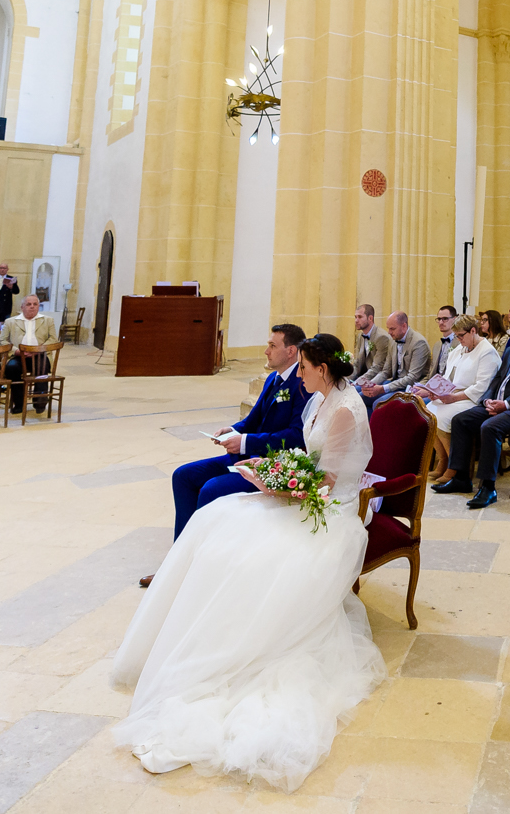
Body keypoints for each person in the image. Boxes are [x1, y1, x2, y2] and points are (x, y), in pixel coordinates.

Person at [112, 333, 380, 789]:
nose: (298, 374)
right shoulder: (319, 399)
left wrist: (274, 485)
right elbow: (304, 455)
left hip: (330, 513)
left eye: (305, 368)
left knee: (251, 548)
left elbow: (326, 483)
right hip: (305, 493)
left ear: (323, 368)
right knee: (218, 519)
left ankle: (241, 635)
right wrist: (268, 470)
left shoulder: (344, 411)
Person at [168, 324, 309, 538]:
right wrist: (232, 430)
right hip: (244, 457)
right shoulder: (272, 378)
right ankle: (181, 549)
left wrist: (244, 442)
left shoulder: (302, 384)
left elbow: (295, 436)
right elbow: (253, 420)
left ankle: (200, 554)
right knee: (183, 476)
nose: (266, 351)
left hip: (270, 465)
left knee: (210, 489)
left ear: (290, 351)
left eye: (272, 345)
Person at [433, 312, 510, 508]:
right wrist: (488, 399)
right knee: (460, 420)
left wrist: (506, 404)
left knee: (489, 427)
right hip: (500, 405)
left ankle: (488, 488)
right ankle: (462, 478)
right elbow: (497, 379)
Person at [420, 315, 499, 476]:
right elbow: (448, 377)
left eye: (461, 335)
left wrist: (454, 398)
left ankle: (453, 465)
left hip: (472, 399)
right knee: (426, 412)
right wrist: (435, 391)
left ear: (473, 331)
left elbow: (482, 387)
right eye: (456, 336)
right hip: (454, 396)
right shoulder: (459, 350)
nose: (458, 339)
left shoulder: (487, 352)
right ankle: (443, 459)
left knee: (441, 416)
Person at [358, 310, 431, 407]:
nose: (389, 332)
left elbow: (412, 377)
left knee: (379, 404)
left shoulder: (418, 343)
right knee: (360, 397)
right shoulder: (393, 340)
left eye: (392, 329)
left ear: (404, 326)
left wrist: (382, 388)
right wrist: (370, 385)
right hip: (394, 381)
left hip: (410, 387)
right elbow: (386, 371)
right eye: (388, 328)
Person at [0, 295, 58, 412]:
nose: (32, 307)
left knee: (42, 367)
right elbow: (2, 341)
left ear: (38, 307)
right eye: (28, 304)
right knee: (11, 368)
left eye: (35, 304)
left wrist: (39, 349)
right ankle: (19, 402)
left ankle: (40, 401)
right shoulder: (10, 322)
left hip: (39, 354)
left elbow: (53, 339)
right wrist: (16, 350)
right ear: (22, 307)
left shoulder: (47, 320)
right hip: (18, 355)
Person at [352, 305, 394, 383]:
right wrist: (346, 380)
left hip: (377, 379)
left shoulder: (381, 337)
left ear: (370, 318)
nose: (356, 320)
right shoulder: (360, 336)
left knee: (355, 393)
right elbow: (357, 364)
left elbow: (377, 368)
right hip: (363, 377)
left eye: (360, 317)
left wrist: (357, 383)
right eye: (355, 317)